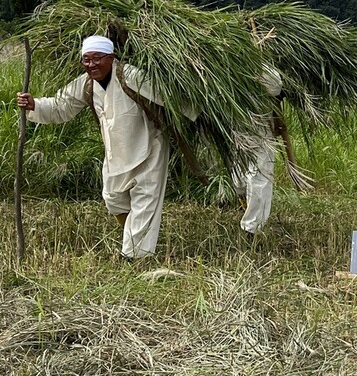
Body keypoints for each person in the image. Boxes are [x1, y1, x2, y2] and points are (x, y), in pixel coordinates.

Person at [16, 35, 190, 259]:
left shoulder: (132, 76)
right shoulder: (85, 83)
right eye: (86, 60)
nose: (92, 64)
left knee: (145, 201)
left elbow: (171, 98)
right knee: (113, 198)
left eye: (97, 58)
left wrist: (200, 111)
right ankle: (135, 236)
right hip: (115, 151)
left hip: (149, 147)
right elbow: (62, 106)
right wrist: (35, 104)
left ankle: (134, 257)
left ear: (111, 57)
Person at [233, 66, 282, 237]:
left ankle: (251, 229)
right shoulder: (239, 66)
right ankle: (248, 212)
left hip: (257, 125)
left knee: (258, 176)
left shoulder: (268, 73)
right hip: (243, 124)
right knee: (245, 177)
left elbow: (276, 96)